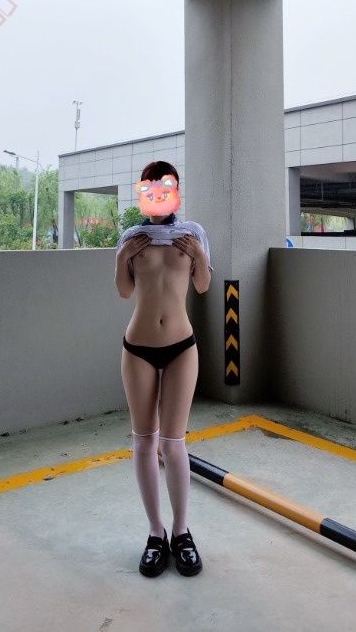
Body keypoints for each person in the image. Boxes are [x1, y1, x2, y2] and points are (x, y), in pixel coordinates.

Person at [115, 160, 212, 578]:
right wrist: (123, 257)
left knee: (173, 444)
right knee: (143, 442)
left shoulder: (192, 234)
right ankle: (155, 532)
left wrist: (199, 255)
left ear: (175, 191)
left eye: (164, 186)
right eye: (150, 187)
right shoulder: (131, 238)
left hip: (181, 348)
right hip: (138, 349)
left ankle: (181, 532)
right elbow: (124, 291)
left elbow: (203, 285)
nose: (157, 193)